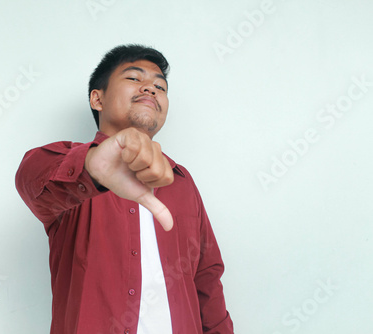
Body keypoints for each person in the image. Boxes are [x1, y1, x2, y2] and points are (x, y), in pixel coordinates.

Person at [15, 44, 234, 334]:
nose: (151, 89)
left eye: (160, 86)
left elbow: (206, 278)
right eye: (134, 78)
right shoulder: (70, 166)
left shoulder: (182, 182)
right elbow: (31, 179)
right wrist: (94, 167)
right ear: (97, 98)